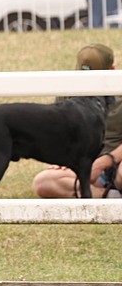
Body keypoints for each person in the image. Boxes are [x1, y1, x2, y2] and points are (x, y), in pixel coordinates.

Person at [32, 43, 122, 198]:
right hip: (82, 164)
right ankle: (109, 197)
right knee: (43, 182)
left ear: (112, 70)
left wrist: (104, 162)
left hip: (117, 160)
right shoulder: (68, 91)